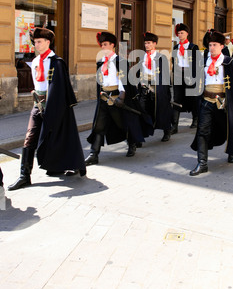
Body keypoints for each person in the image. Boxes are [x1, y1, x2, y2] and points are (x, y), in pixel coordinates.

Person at [8, 27, 86, 191]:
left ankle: (72, 163)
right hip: (38, 105)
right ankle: (24, 176)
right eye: (35, 42)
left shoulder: (56, 62)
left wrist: (51, 107)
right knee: (30, 138)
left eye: (39, 41)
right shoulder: (35, 62)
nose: (36, 45)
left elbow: (58, 88)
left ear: (48, 42)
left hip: (56, 106)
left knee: (62, 136)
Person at [85, 32, 152, 165]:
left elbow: (123, 80)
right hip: (104, 98)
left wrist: (121, 97)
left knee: (122, 123)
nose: (103, 47)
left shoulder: (120, 61)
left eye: (105, 45)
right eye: (102, 45)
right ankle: (94, 154)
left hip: (117, 99)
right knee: (98, 126)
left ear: (112, 45)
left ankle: (132, 143)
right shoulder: (100, 62)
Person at [189, 30, 233, 175]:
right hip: (206, 101)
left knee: (229, 127)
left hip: (224, 102)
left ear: (222, 46)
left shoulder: (229, 62)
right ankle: (202, 163)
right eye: (210, 45)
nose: (212, 48)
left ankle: (231, 152)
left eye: (215, 45)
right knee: (202, 131)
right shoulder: (204, 61)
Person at [137, 31, 172, 142]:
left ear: (154, 44)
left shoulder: (161, 57)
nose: (147, 45)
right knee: (142, 110)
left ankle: (167, 130)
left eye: (149, 43)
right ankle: (141, 134)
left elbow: (165, 75)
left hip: (158, 87)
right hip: (144, 87)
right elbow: (139, 72)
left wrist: (165, 90)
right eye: (145, 43)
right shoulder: (142, 57)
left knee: (161, 110)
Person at [171, 23, 200, 134]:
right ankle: (174, 125)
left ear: (187, 34)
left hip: (190, 75)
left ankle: (195, 119)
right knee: (176, 99)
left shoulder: (193, 47)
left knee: (193, 98)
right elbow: (174, 61)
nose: (180, 35)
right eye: (178, 33)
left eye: (182, 33)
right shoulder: (176, 47)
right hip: (179, 75)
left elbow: (198, 63)